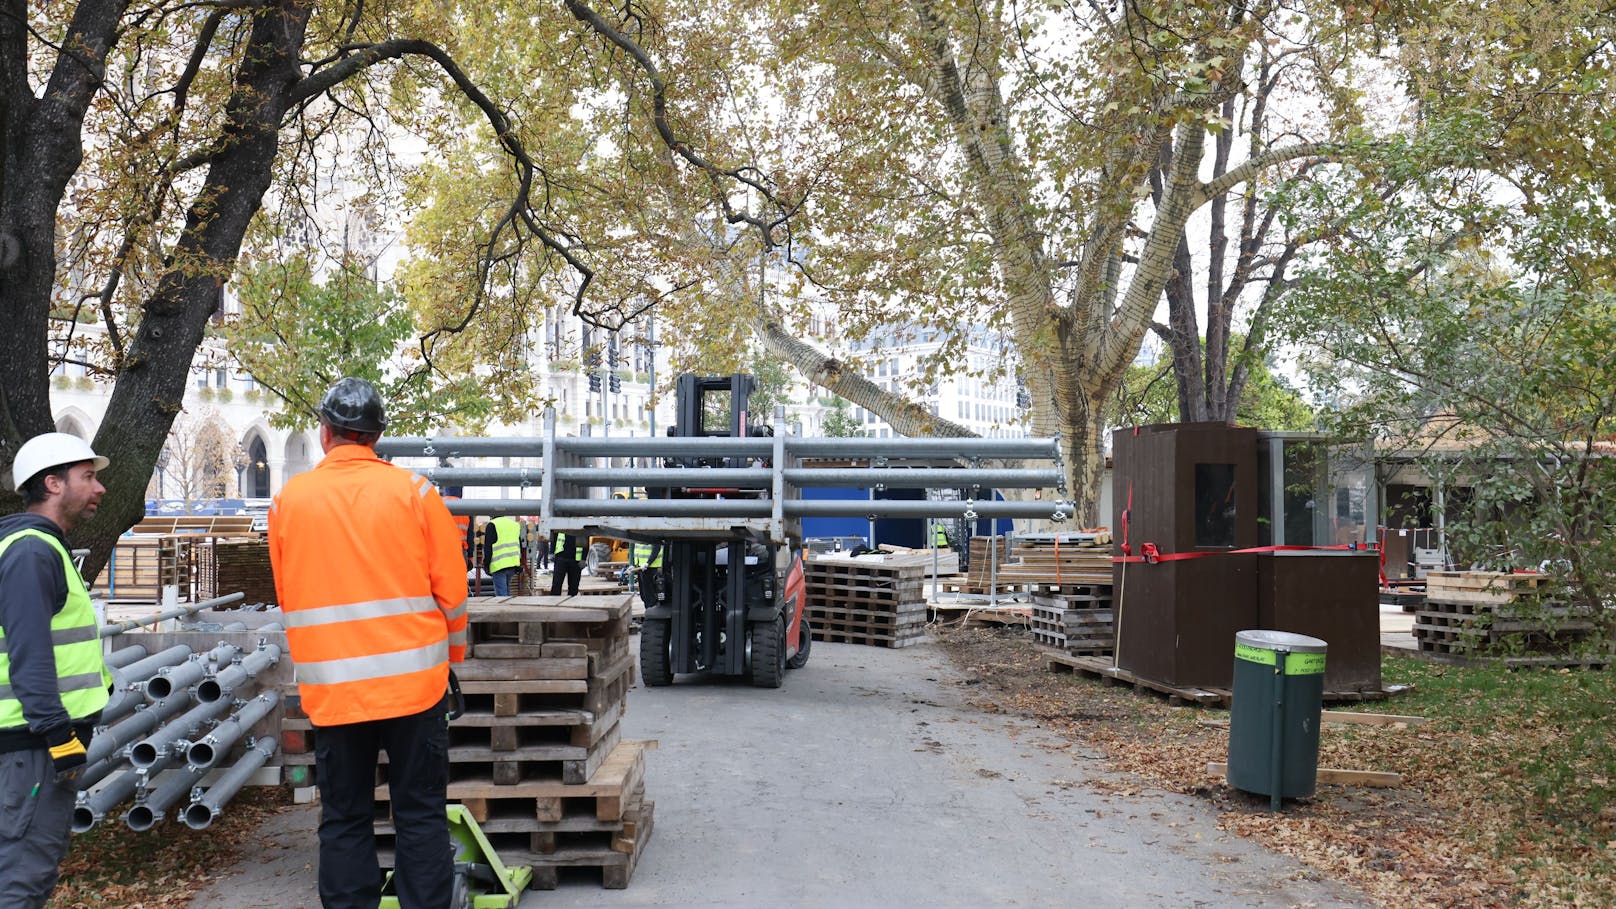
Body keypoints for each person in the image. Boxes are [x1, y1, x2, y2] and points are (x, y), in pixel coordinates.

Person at [268, 377, 468, 909]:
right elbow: (452, 591)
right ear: (376, 436)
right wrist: (449, 660)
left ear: (325, 431)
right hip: (414, 690)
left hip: (335, 694)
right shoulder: (415, 493)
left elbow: (289, 599)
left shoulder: (290, 501)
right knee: (420, 814)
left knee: (344, 816)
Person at [0, 432, 113, 908]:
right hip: (33, 746)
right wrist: (57, 734)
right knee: (23, 875)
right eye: (87, 477)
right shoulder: (30, 553)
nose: (100, 488)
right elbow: (31, 651)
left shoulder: (40, 547)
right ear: (52, 483)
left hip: (35, 743)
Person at [481, 515, 522, 597]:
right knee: (506, 591)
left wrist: (486, 564)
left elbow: (488, 547)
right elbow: (519, 545)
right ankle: (508, 608)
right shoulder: (514, 524)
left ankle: (504, 609)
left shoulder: (492, 525)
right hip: (512, 564)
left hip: (498, 565)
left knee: (501, 595)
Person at [549, 530, 585, 597]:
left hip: (576, 560)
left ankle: (572, 604)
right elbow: (554, 536)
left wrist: (583, 558)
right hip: (561, 558)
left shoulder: (581, 526)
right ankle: (553, 603)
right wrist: (551, 551)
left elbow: (585, 541)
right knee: (556, 584)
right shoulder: (561, 524)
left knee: (573, 587)